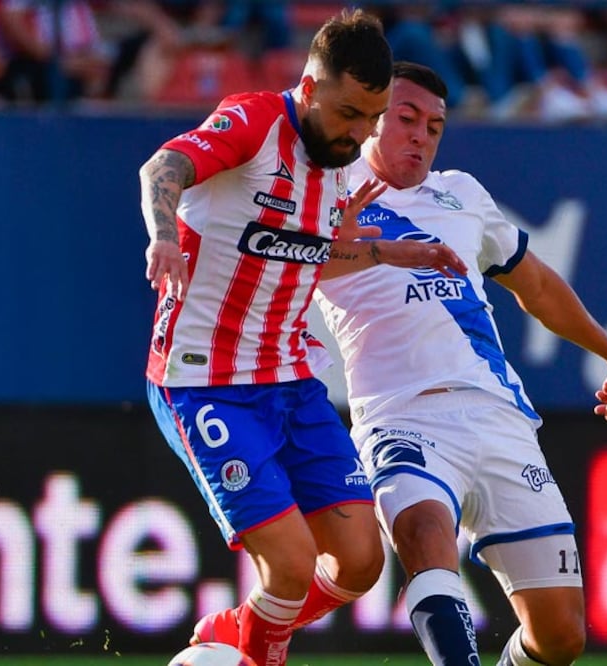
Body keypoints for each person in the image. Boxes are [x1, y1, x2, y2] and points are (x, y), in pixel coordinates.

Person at [138, 11, 465, 666]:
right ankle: (262, 651)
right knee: (288, 566)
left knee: (360, 561)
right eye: (348, 114)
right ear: (310, 90)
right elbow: (163, 167)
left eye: (371, 119)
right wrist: (165, 235)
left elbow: (312, 246)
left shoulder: (342, 165)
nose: (359, 134)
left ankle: (238, 632)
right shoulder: (255, 122)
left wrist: (395, 253)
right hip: (204, 385)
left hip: (289, 381)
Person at [313, 62, 607, 666]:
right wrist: (349, 243)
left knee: (562, 637)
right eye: (405, 119)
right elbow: (279, 262)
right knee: (423, 535)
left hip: (499, 419)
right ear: (372, 118)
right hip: (400, 416)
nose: (420, 136)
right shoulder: (327, 190)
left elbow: (536, 286)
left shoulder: (461, 194)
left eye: (434, 127)